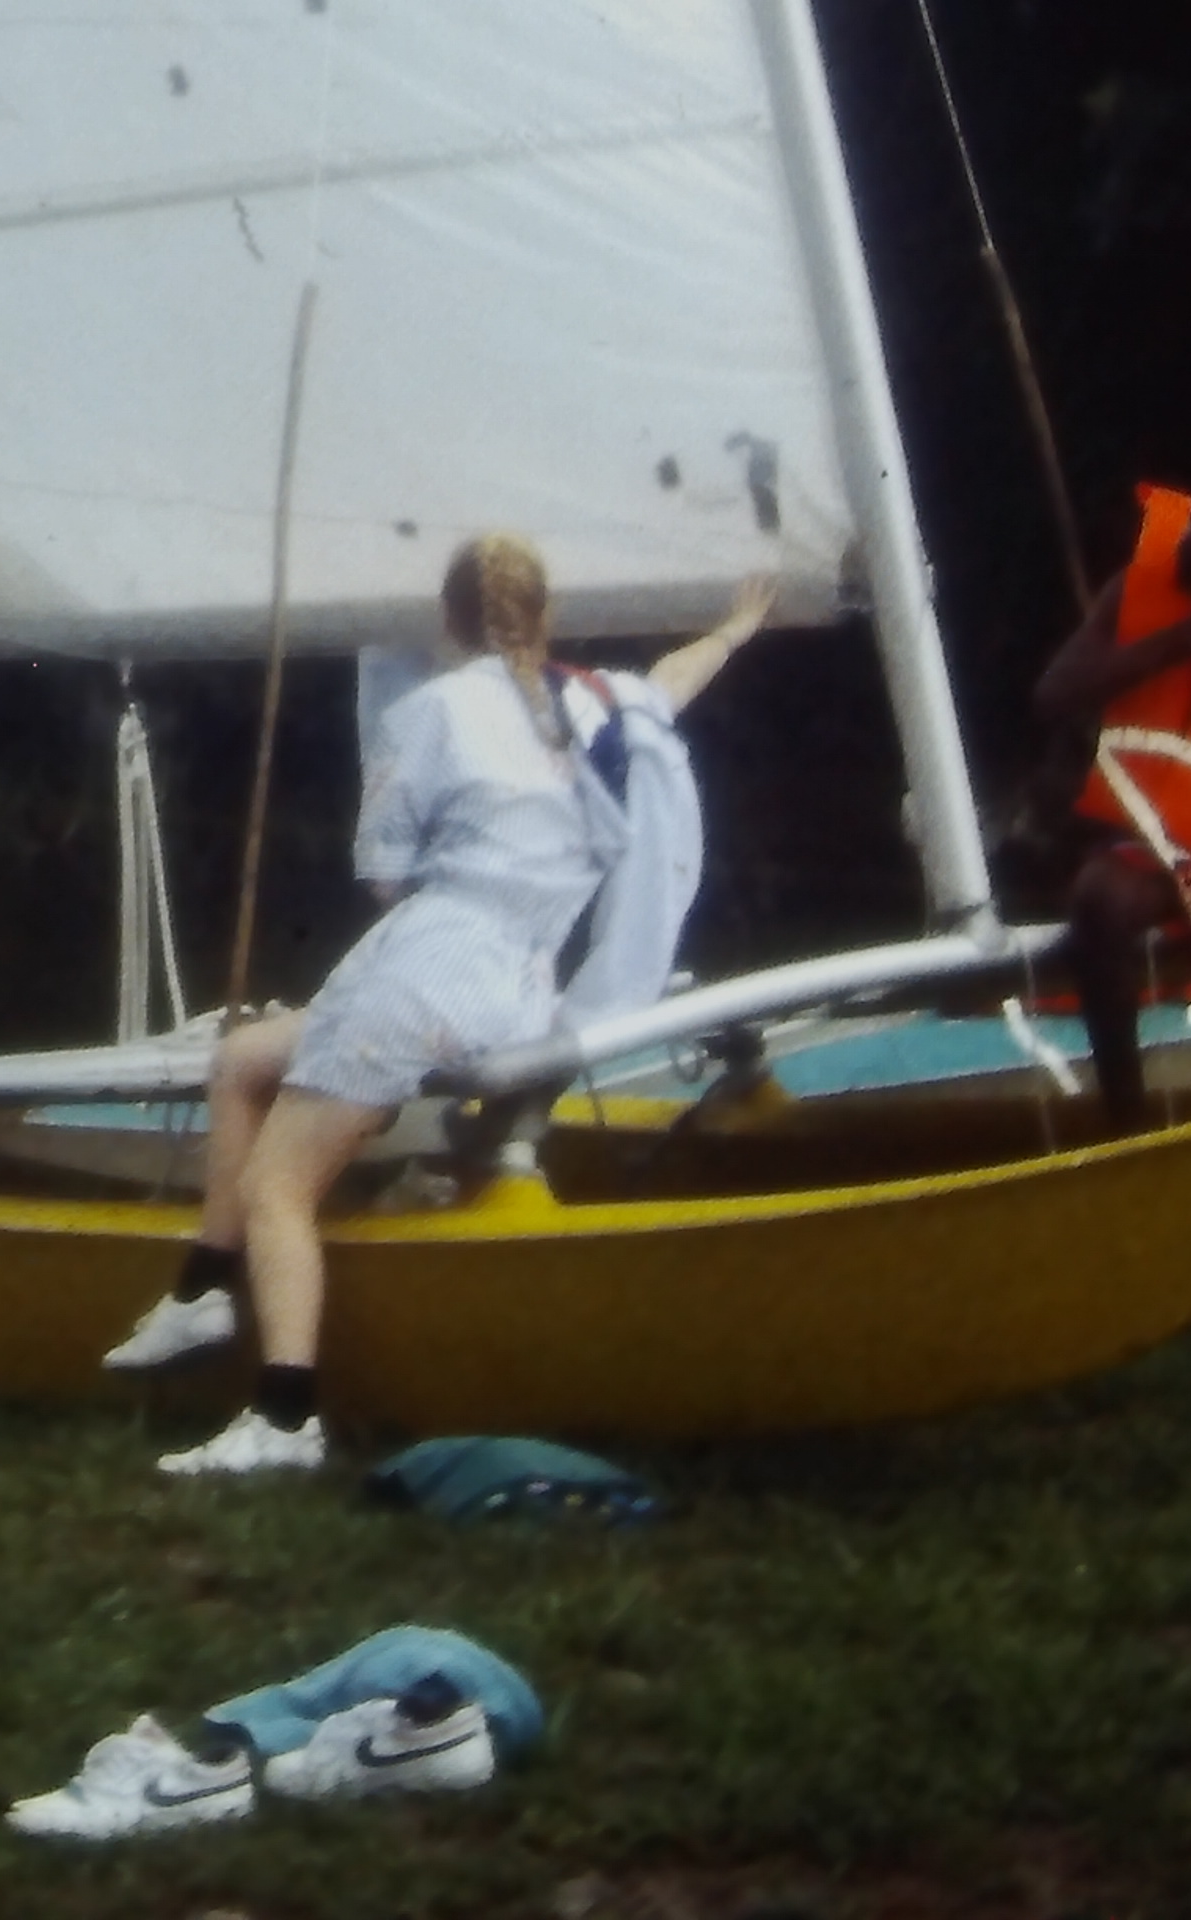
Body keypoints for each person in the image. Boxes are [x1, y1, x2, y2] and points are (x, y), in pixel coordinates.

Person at [99, 538, 780, 1478]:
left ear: (449, 622)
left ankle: (286, 1421)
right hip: (516, 994)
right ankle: (201, 1292)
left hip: (426, 976)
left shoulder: (429, 712)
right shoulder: (596, 703)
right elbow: (672, 681)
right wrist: (735, 630)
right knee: (244, 1059)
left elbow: (385, 875)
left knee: (278, 1188)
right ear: (545, 618)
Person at [1016, 469, 1191, 1132]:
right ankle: (1127, 1122)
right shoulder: (1140, 589)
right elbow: (1052, 695)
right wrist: (1188, 638)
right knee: (1100, 901)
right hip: (1151, 839)